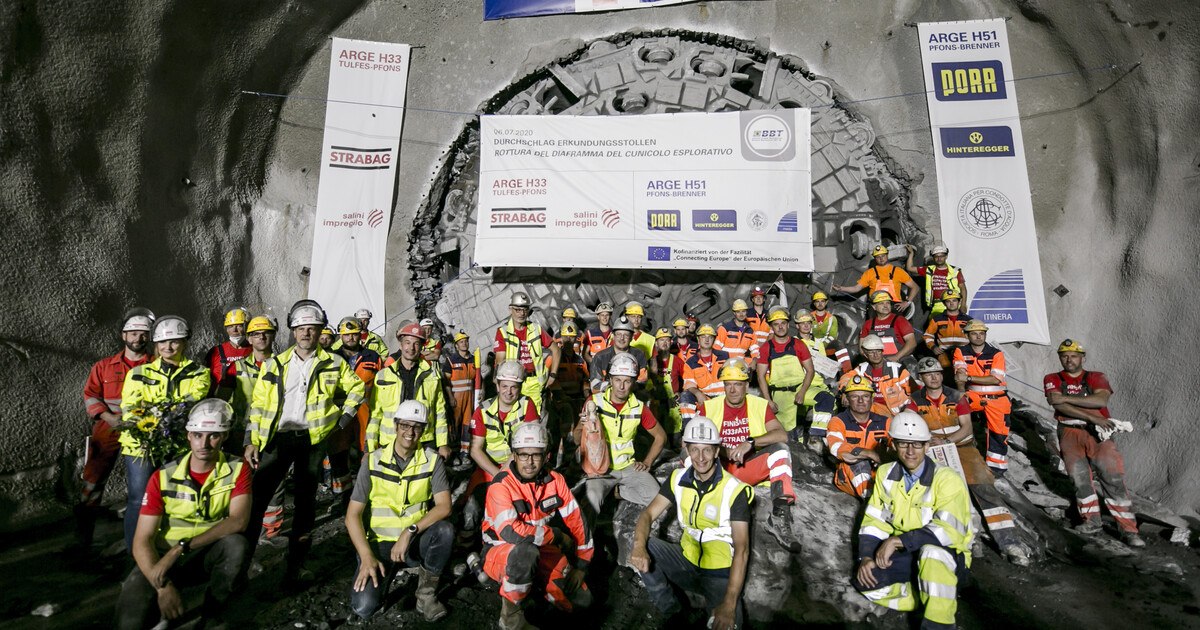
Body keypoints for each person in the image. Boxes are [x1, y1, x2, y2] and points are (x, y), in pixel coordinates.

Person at [244, 300, 365, 587]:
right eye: (300, 328)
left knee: (305, 505)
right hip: (278, 439)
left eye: (312, 328)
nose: (306, 333)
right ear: (292, 331)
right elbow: (259, 404)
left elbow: (357, 388)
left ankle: (295, 568)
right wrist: (252, 440)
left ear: (320, 329)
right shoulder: (276, 364)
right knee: (257, 500)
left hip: (311, 441)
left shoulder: (334, 363)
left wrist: (342, 420)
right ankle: (242, 564)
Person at [116, 399, 251, 629]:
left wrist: (182, 547)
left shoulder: (238, 469)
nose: (204, 443)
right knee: (129, 622)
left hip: (204, 553)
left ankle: (214, 617)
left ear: (225, 437)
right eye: (198, 435)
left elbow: (238, 521)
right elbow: (142, 540)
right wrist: (162, 587)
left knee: (236, 545)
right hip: (164, 558)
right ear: (188, 435)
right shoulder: (163, 476)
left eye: (214, 435)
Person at [630, 417, 753, 630]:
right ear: (686, 449)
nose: (701, 457)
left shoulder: (734, 490)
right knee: (645, 545)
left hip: (719, 573)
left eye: (707, 450)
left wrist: (729, 604)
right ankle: (674, 612)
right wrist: (639, 547)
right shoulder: (678, 478)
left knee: (727, 624)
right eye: (694, 450)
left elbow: (742, 550)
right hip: (686, 562)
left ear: (717, 451)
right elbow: (647, 515)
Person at [853, 413, 973, 630]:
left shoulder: (947, 479)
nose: (910, 451)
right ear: (894, 445)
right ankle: (928, 599)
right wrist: (867, 556)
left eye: (917, 444)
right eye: (903, 444)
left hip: (949, 556)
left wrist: (895, 542)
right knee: (867, 582)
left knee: (931, 553)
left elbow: (949, 531)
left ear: (927, 446)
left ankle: (940, 623)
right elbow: (874, 520)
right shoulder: (885, 473)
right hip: (908, 552)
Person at [910, 357, 1032, 564]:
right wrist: (930, 441)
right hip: (933, 453)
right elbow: (911, 425)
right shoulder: (914, 400)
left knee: (985, 490)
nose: (934, 377)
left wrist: (946, 440)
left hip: (963, 448)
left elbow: (966, 427)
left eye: (938, 373)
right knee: (946, 495)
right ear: (921, 378)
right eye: (929, 374)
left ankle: (1010, 542)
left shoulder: (956, 396)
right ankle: (970, 539)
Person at [345, 400, 454, 623]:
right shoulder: (373, 461)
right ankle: (384, 570)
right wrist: (366, 556)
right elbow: (352, 515)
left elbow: (444, 506)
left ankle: (425, 595)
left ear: (423, 430)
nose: (410, 432)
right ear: (395, 426)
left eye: (416, 427)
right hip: (379, 544)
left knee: (445, 531)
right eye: (405, 425)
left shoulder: (432, 461)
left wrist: (410, 531)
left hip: (413, 541)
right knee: (363, 607)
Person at [482, 423, 593, 630]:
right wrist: (557, 536)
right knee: (525, 553)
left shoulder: (555, 481)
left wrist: (581, 566)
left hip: (541, 549)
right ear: (514, 455)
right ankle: (511, 619)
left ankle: (533, 590)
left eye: (536, 455)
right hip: (502, 552)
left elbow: (578, 522)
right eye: (524, 455)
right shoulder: (501, 485)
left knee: (581, 600)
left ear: (546, 456)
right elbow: (511, 532)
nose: (530, 462)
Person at [119, 315, 212, 551]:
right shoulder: (138, 374)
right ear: (156, 345)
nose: (168, 347)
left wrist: (159, 411)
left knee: (175, 499)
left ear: (185, 343)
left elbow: (191, 405)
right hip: (141, 445)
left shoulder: (199, 373)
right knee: (139, 499)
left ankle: (170, 550)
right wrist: (156, 421)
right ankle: (136, 555)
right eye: (162, 342)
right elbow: (131, 410)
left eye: (175, 341)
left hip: (178, 445)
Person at [1043, 339, 1144, 547]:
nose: (1069, 360)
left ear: (1082, 357)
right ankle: (1091, 522)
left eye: (1073, 356)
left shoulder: (1096, 377)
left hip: (1098, 435)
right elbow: (1056, 402)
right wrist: (1093, 417)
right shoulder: (1052, 378)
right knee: (1079, 480)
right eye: (1064, 356)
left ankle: (1128, 529)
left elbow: (1100, 401)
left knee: (1112, 478)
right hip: (1070, 432)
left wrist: (1065, 399)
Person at [700, 360, 800, 550]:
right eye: (728, 384)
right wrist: (722, 450)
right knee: (688, 454)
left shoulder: (759, 405)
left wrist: (751, 442)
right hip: (718, 470)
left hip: (746, 467)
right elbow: (694, 442)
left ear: (746, 385)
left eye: (738, 384)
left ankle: (779, 516)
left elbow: (781, 435)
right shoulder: (710, 407)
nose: (732, 390)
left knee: (780, 449)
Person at [76, 308, 153, 550]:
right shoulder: (104, 366)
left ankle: (140, 543)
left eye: (143, 334)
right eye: (133, 333)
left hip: (143, 431)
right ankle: (82, 541)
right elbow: (90, 394)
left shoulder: (156, 365)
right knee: (92, 482)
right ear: (123, 335)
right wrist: (108, 417)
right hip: (108, 428)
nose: (137, 338)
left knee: (142, 489)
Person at [578, 355, 667, 516]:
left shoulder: (638, 407)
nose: (622, 386)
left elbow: (661, 436)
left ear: (633, 382)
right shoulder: (594, 402)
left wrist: (647, 462)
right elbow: (576, 437)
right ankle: (588, 540)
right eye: (618, 380)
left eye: (627, 381)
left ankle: (618, 491)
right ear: (610, 380)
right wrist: (583, 428)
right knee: (591, 501)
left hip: (628, 467)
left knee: (659, 501)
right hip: (600, 470)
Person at [464, 361, 541, 531]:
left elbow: (533, 444)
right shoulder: (483, 411)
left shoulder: (527, 405)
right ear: (497, 386)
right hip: (490, 469)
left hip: (521, 466)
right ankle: (468, 543)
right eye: (505, 386)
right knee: (471, 506)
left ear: (520, 388)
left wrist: (506, 472)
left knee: (528, 506)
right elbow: (475, 450)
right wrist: (498, 475)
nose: (509, 392)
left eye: (514, 387)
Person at [230, 315, 286, 542]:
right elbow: (222, 401)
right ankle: (238, 528)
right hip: (240, 436)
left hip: (272, 433)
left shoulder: (285, 366)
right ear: (249, 339)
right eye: (255, 333)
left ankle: (271, 533)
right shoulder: (236, 368)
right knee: (238, 483)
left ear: (273, 335)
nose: (261, 337)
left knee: (276, 484)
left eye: (266, 332)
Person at [368, 323, 450, 458]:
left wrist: (442, 444)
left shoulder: (432, 375)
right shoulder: (383, 376)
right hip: (390, 442)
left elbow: (439, 411)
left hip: (423, 440)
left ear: (422, 347)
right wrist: (370, 447)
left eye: (416, 344)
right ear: (400, 345)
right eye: (407, 342)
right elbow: (375, 414)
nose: (411, 348)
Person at [328, 316, 383, 497]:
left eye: (354, 334)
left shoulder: (372, 357)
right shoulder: (332, 358)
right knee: (338, 454)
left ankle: (364, 494)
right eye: (347, 334)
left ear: (361, 335)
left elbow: (381, 384)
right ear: (340, 336)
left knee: (366, 453)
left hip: (366, 412)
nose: (351, 338)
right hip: (340, 412)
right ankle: (342, 496)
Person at [953, 321, 1011, 477]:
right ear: (967, 335)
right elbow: (959, 375)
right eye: (974, 333)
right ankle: (958, 456)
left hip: (997, 398)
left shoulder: (996, 353)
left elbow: (996, 379)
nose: (978, 336)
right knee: (953, 414)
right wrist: (962, 388)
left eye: (981, 333)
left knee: (998, 434)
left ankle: (997, 471)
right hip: (974, 395)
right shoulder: (960, 351)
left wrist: (969, 377)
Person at [753, 308, 815, 442]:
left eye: (783, 323)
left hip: (799, 391)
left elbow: (810, 370)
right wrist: (768, 400)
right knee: (784, 435)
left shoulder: (798, 344)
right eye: (776, 324)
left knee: (801, 431)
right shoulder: (766, 348)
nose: (780, 327)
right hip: (780, 396)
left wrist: (803, 392)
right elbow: (760, 376)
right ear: (771, 327)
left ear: (788, 325)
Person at [494, 291, 561, 413]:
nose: (521, 313)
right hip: (513, 383)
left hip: (535, 383)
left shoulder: (536, 329)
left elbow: (556, 350)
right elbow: (499, 361)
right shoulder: (503, 332)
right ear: (510, 310)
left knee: (533, 422)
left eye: (524, 309)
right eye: (517, 310)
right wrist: (498, 383)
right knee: (513, 420)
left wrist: (553, 375)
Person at [826, 375, 890, 498]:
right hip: (849, 477)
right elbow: (837, 448)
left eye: (865, 396)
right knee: (856, 462)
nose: (861, 401)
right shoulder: (838, 421)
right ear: (848, 399)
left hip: (878, 472)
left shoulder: (885, 422)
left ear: (872, 399)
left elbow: (898, 447)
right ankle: (871, 502)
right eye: (855, 396)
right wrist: (870, 454)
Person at [546, 322, 590, 465]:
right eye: (566, 337)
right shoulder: (555, 359)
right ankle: (555, 462)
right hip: (560, 402)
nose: (568, 341)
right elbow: (549, 379)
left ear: (576, 339)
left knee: (579, 431)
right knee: (561, 433)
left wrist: (587, 395)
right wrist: (560, 396)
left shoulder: (580, 360)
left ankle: (572, 463)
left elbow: (585, 380)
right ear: (561, 338)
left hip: (577, 400)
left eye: (571, 338)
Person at [792, 312, 839, 445]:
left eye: (808, 323)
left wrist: (832, 368)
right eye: (803, 323)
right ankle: (804, 440)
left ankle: (817, 436)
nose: (806, 326)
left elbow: (823, 367)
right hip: (801, 384)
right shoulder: (793, 343)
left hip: (818, 383)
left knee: (831, 402)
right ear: (797, 325)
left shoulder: (819, 344)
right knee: (798, 415)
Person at [843, 334, 914, 418]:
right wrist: (845, 391)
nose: (875, 355)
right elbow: (846, 378)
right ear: (865, 354)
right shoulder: (862, 370)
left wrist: (908, 411)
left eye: (878, 351)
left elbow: (914, 391)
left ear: (882, 351)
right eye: (871, 352)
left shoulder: (897, 370)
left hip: (898, 413)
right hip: (873, 411)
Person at [833, 244, 919, 310]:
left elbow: (915, 287)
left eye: (883, 255)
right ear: (875, 258)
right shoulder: (869, 273)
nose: (881, 258)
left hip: (894, 307)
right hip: (875, 307)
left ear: (887, 255)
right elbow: (856, 288)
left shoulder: (898, 271)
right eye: (878, 257)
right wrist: (841, 288)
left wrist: (907, 302)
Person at [441, 329, 481, 457]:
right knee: (454, 425)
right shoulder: (451, 361)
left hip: (470, 398)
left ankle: (465, 452)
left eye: (466, 341)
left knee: (467, 424)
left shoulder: (474, 360)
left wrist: (482, 392)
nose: (464, 344)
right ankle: (452, 452)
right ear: (456, 345)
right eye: (461, 342)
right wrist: (451, 398)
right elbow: (446, 382)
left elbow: (479, 379)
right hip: (456, 399)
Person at [679, 324, 729, 425]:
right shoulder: (691, 362)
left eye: (710, 337)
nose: (707, 340)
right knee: (685, 396)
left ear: (714, 339)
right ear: (698, 339)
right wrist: (698, 394)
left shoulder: (724, 356)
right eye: (703, 337)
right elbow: (689, 385)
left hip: (725, 397)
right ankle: (689, 428)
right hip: (705, 399)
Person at [588, 315, 649, 393]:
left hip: (632, 397)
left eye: (626, 335)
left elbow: (643, 382)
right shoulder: (600, 357)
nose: (622, 338)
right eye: (619, 334)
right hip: (606, 399)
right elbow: (594, 386)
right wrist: (617, 387)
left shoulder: (639, 355)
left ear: (631, 337)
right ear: (613, 336)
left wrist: (625, 389)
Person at [905, 243, 967, 316]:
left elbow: (963, 289)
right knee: (936, 325)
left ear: (946, 256)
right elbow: (909, 268)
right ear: (933, 258)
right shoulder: (929, 270)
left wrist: (963, 304)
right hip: (937, 305)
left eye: (941, 256)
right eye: (936, 256)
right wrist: (911, 254)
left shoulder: (955, 271)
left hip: (953, 304)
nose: (939, 258)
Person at [205, 307, 252, 399]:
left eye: (239, 326)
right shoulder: (216, 352)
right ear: (226, 329)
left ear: (247, 327)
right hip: (219, 403)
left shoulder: (255, 351)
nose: (234, 330)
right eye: (230, 326)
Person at [859, 291, 918, 362]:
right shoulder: (868, 324)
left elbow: (912, 343)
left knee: (911, 365)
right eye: (881, 303)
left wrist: (896, 357)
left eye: (888, 303)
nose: (885, 306)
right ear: (874, 307)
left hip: (900, 359)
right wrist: (872, 360)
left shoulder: (900, 320)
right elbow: (861, 347)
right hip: (876, 362)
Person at [922, 290, 972, 370]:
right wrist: (933, 347)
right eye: (948, 301)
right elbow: (927, 336)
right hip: (944, 353)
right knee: (946, 372)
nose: (951, 303)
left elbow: (974, 337)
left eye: (954, 300)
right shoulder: (937, 319)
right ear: (944, 303)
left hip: (964, 353)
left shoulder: (968, 320)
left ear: (959, 302)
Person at [649, 327, 684, 440]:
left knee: (675, 435)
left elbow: (687, 380)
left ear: (671, 342)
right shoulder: (652, 362)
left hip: (673, 404)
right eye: (661, 340)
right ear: (656, 343)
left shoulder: (678, 361)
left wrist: (681, 392)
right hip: (656, 404)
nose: (664, 343)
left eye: (667, 340)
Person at [810, 291, 851, 372]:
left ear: (826, 302)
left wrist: (822, 345)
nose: (820, 304)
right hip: (811, 345)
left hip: (826, 345)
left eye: (822, 301)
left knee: (838, 343)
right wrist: (813, 345)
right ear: (814, 303)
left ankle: (847, 372)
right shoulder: (809, 316)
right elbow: (806, 333)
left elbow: (832, 336)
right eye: (817, 301)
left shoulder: (832, 318)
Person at [714, 299, 757, 366]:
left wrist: (754, 361)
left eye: (743, 311)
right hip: (726, 364)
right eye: (738, 312)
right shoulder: (725, 328)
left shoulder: (750, 331)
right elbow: (716, 348)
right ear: (734, 313)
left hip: (741, 365)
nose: (741, 314)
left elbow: (755, 350)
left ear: (746, 312)